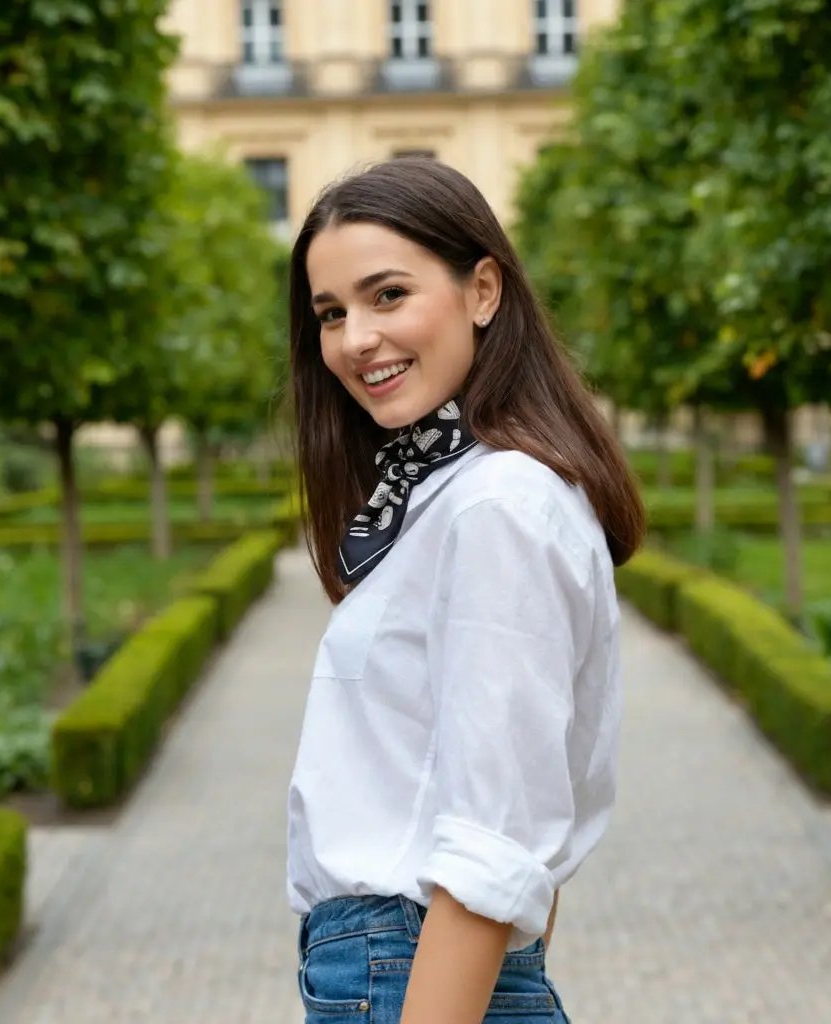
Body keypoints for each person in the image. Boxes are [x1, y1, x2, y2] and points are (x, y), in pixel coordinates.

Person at [285, 157, 645, 1024]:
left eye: (387, 295)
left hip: (400, 973)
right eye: (330, 313)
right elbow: (526, 818)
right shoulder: (457, 496)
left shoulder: (498, 504)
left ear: (483, 290)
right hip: (403, 971)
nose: (355, 339)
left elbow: (497, 844)